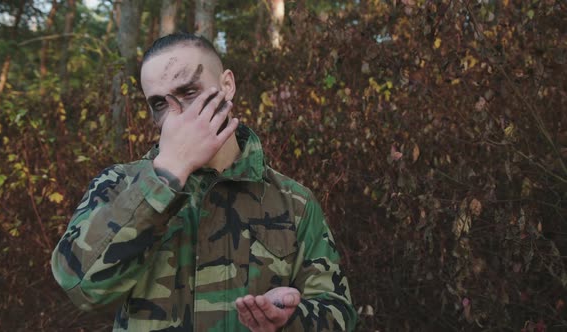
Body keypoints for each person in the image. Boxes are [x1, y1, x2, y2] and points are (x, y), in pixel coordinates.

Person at [51, 32, 356, 331]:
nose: (177, 115)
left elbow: (338, 312)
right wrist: (167, 174)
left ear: (227, 85)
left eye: (189, 92)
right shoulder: (118, 184)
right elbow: (81, 287)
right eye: (159, 104)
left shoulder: (293, 201)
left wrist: (290, 319)